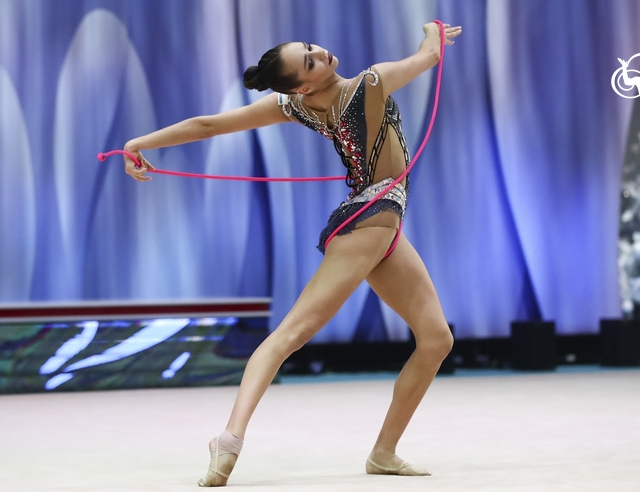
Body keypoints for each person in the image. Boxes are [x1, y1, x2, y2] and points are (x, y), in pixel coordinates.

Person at [123, 20, 462, 487]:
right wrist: (432, 29)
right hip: (370, 219)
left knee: (436, 339)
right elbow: (428, 57)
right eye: (310, 61)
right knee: (290, 335)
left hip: (382, 226)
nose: (321, 53)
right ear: (304, 83)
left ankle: (384, 453)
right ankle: (229, 439)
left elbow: (207, 125)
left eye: (311, 48)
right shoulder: (370, 83)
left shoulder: (297, 106)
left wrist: (140, 143)